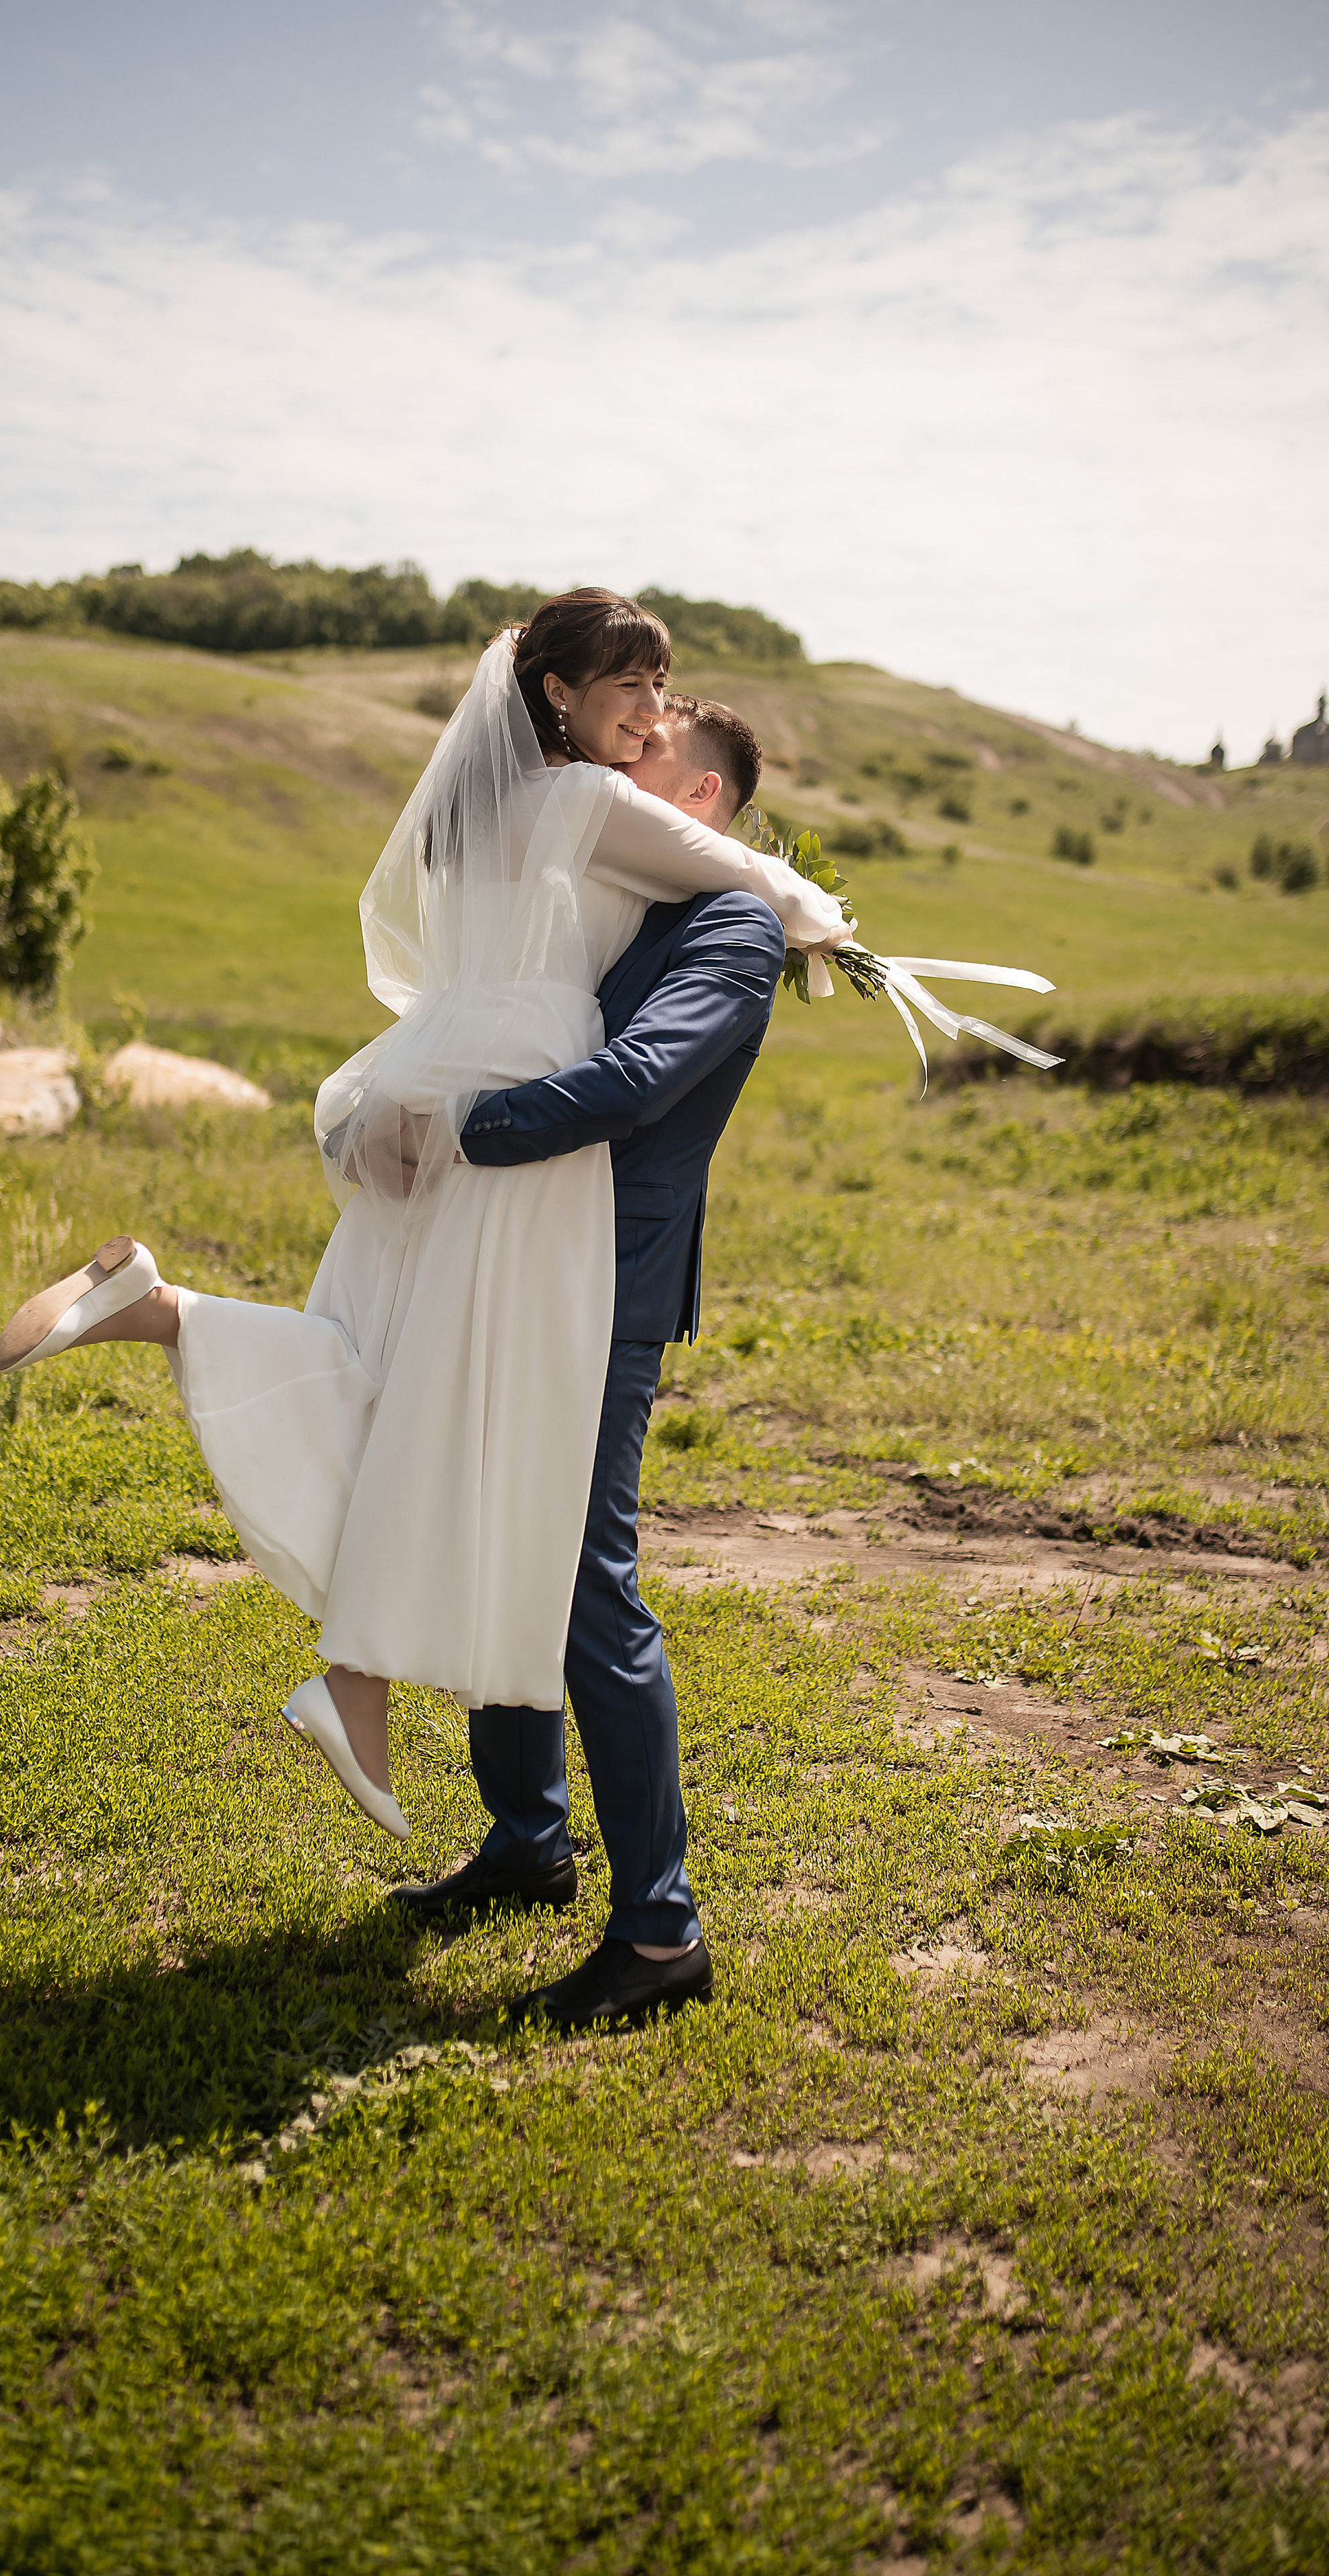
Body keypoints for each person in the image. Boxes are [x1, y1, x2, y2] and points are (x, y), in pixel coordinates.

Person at [0, 590, 847, 1855]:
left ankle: (181, 1324)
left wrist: (428, 1106)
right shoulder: (588, 806)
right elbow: (752, 877)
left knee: (396, 1384)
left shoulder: (479, 812)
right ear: (558, 694)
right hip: (517, 1114)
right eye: (634, 690)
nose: (651, 717)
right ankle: (387, 1706)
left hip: (446, 1067)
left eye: (664, 702)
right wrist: (828, 925)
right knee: (461, 1432)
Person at [391, 692, 786, 2031]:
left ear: (700, 805)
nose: (611, 764)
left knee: (581, 1584)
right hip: (516, 1266)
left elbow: (629, 1083)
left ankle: (662, 1932)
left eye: (644, 755)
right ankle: (525, 1841)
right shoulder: (611, 905)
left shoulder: (728, 928)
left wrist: (464, 1126)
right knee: (507, 1540)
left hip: (604, 1287)